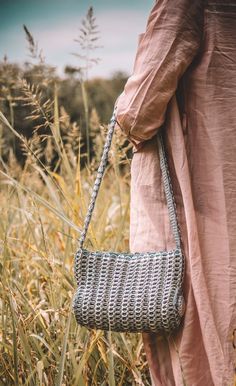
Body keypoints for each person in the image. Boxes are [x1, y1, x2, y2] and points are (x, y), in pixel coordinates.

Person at [114, 1, 236, 385]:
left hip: (191, 194)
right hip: (227, 180)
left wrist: (122, 117)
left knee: (187, 323)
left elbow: (139, 109)